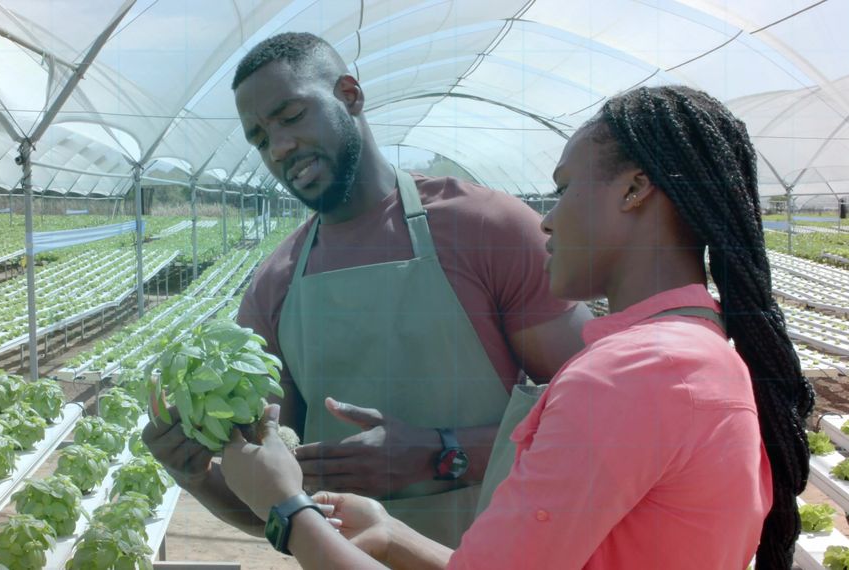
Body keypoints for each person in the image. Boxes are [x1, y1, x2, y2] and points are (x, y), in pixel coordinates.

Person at [220, 85, 814, 569]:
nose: (547, 221)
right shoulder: (691, 355)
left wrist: (288, 510)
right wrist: (393, 534)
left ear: (635, 189)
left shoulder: (632, 375)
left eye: (562, 190)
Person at [143, 31, 589, 547]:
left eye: (291, 116)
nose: (280, 147)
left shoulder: (487, 229)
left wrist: (441, 453)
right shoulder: (275, 285)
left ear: (350, 95)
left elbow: (596, 421)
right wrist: (194, 474)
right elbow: (276, 505)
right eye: (261, 139)